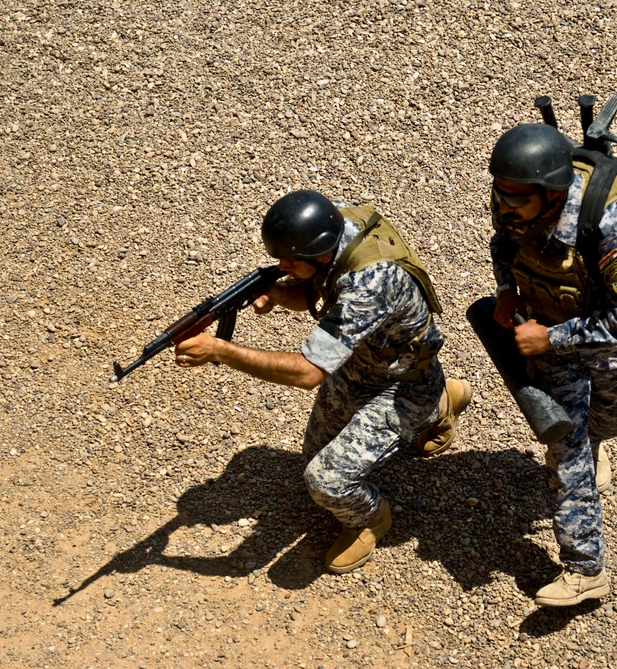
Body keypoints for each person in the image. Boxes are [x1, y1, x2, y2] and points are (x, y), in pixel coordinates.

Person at [175, 190, 472, 574]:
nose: (282, 266)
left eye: (290, 261)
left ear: (319, 253)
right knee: (313, 456)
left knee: (326, 481)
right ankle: (441, 401)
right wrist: (281, 293)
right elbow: (320, 289)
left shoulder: (372, 282)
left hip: (404, 384)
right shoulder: (335, 230)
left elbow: (306, 373)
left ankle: (370, 518)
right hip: (366, 361)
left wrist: (221, 351)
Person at [487, 123, 617, 606]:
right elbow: (504, 242)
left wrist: (550, 339)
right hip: (549, 324)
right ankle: (586, 570)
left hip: (609, 342)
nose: (503, 206)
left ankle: (597, 440)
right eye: (499, 194)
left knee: (611, 420)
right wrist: (507, 290)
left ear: (552, 193)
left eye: (516, 198)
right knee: (566, 444)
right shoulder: (513, 195)